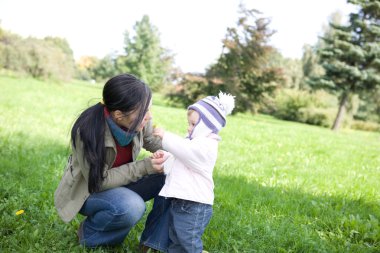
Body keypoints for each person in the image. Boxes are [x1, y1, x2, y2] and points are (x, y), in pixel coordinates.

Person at [54, 73, 168, 249]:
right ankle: (90, 235)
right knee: (131, 206)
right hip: (88, 192)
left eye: (149, 108)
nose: (149, 116)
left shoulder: (140, 118)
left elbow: (152, 141)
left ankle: (152, 242)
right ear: (118, 115)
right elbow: (98, 181)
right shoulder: (88, 132)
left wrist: (182, 150)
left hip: (121, 183)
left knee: (170, 175)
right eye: (144, 112)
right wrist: (145, 166)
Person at [150, 92, 235, 252]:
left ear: (207, 125)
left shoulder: (207, 146)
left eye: (193, 124)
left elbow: (187, 152)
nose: (189, 128)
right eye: (189, 123)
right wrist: (165, 157)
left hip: (195, 205)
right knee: (176, 239)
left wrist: (165, 137)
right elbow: (180, 159)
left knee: (187, 241)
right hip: (182, 201)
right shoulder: (192, 143)